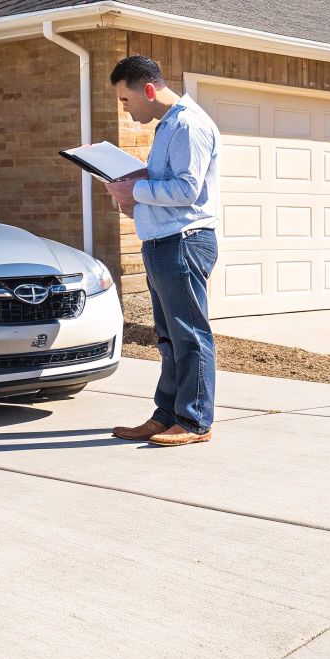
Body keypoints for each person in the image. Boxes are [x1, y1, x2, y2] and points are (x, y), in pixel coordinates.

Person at [103, 56, 221, 447]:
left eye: (125, 100)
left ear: (148, 90)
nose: (125, 108)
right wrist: (137, 182)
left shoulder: (187, 124)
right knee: (169, 338)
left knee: (189, 335)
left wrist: (134, 191)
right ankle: (167, 416)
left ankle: (194, 422)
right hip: (163, 245)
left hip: (183, 243)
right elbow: (171, 183)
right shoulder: (169, 125)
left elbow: (187, 189)